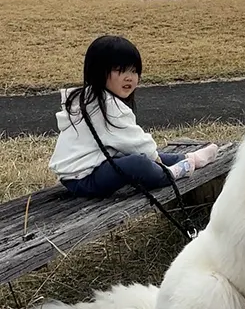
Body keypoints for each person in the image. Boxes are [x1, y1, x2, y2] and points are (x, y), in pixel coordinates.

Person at [49, 35, 218, 197]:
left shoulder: (87, 97)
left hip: (80, 174)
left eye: (134, 71)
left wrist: (153, 157)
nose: (129, 77)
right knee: (138, 163)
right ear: (98, 71)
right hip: (85, 179)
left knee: (134, 156)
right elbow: (138, 143)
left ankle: (188, 157)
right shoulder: (108, 107)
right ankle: (173, 172)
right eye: (119, 70)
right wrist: (154, 160)